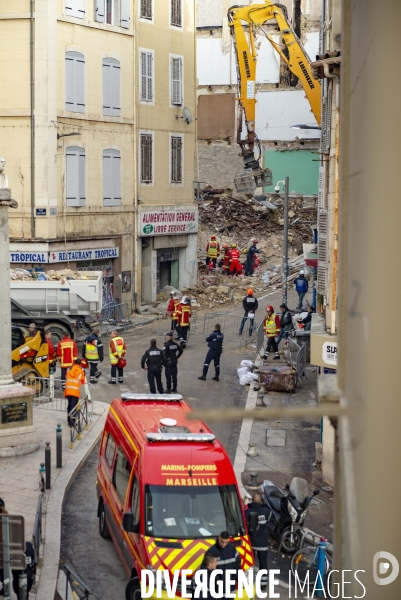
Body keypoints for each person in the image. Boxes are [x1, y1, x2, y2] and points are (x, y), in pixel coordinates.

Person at [244, 493, 270, 588]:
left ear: (252, 500)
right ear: (260, 501)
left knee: (251, 564)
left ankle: (250, 582)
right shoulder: (266, 511)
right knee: (263, 564)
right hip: (262, 542)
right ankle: (263, 585)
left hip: (251, 542)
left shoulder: (246, 512)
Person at [208, 531, 241, 596]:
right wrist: (216, 579)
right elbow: (207, 568)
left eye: (226, 542)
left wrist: (234, 578)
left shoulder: (232, 549)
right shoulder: (212, 551)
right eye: (222, 542)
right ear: (218, 538)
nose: (223, 544)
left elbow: (237, 565)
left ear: (228, 540)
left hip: (230, 587)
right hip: (217, 588)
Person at [64, 359, 86, 427]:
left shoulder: (69, 370)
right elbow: (82, 381)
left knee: (69, 406)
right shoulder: (80, 371)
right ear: (80, 364)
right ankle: (72, 423)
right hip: (75, 392)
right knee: (74, 407)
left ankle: (68, 420)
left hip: (68, 391)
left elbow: (66, 376)